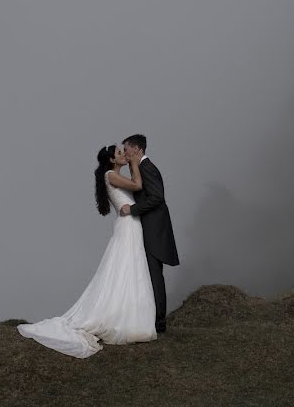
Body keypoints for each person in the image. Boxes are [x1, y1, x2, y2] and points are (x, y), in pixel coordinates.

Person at [17, 144, 157, 358]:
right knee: (126, 268)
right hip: (128, 225)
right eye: (120, 154)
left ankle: (131, 318)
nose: (124, 156)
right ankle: (124, 319)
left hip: (130, 224)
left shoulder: (113, 175)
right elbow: (137, 185)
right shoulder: (111, 175)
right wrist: (136, 163)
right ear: (111, 159)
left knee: (129, 269)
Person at [119, 134, 179, 334]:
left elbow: (157, 198)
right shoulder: (141, 168)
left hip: (154, 230)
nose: (125, 153)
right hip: (149, 229)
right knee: (150, 275)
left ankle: (159, 323)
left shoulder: (147, 168)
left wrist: (132, 209)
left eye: (126, 149)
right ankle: (152, 320)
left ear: (137, 149)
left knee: (155, 276)